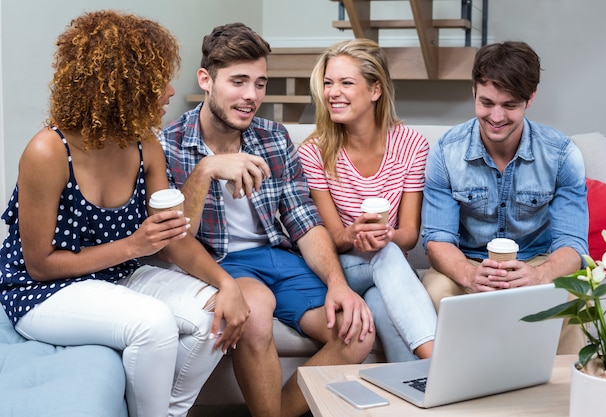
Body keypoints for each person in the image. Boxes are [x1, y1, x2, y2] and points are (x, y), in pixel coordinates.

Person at [0, 10, 252, 417]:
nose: (171, 91)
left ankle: (169, 412)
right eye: (158, 82)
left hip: (117, 277)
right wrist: (134, 244)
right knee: (152, 323)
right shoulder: (47, 152)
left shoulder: (143, 144)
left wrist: (228, 284)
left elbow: (173, 238)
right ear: (124, 89)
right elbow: (40, 265)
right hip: (42, 292)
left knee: (215, 315)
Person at [159, 22, 376, 417]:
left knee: (357, 331)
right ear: (206, 80)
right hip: (219, 262)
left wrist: (338, 284)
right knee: (255, 311)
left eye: (259, 83)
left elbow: (304, 220)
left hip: (278, 256)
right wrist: (206, 170)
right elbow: (173, 236)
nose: (250, 96)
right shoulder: (168, 144)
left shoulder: (274, 137)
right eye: (238, 81)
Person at [420, 41, 588, 354]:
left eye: (509, 105)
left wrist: (539, 275)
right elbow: (436, 239)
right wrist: (469, 274)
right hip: (470, 259)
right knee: (437, 289)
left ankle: (562, 397)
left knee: (574, 294)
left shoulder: (562, 154)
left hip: (537, 259)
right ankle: (465, 387)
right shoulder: (446, 151)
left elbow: (573, 245)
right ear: (473, 91)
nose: (496, 117)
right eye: (486, 103)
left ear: (530, 98)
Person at [297, 38, 437, 362]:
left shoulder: (411, 145)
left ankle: (417, 398)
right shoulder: (315, 152)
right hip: (341, 269)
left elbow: (409, 234)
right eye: (329, 83)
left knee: (378, 301)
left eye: (346, 83)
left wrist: (386, 235)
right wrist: (354, 234)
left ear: (375, 90)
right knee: (383, 253)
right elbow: (331, 239)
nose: (333, 92)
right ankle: (438, 359)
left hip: (388, 268)